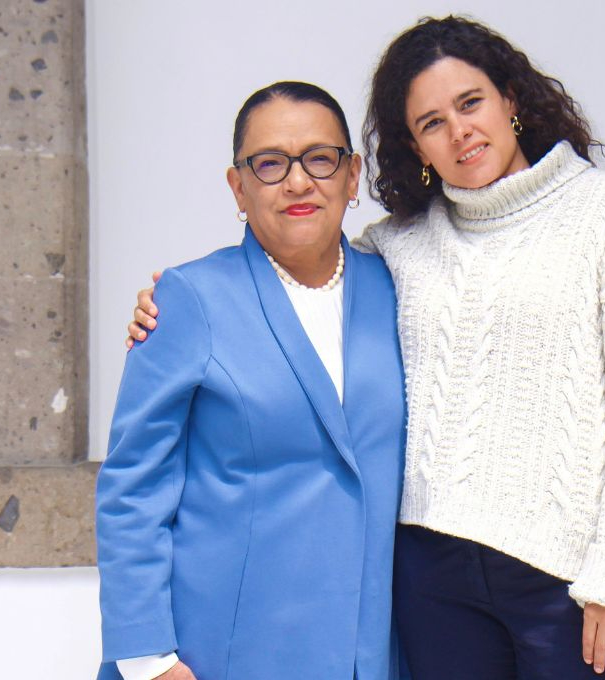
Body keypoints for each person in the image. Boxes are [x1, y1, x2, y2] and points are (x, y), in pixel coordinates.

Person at [127, 16, 605, 680]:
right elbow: (300, 287)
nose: (458, 130)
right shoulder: (398, 247)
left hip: (566, 583)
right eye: (431, 122)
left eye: (470, 103)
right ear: (415, 146)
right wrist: (165, 306)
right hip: (430, 581)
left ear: (510, 101)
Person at [96, 82, 407, 680]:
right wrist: (149, 659)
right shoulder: (188, 299)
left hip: (368, 649)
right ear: (238, 186)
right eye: (270, 164)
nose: (297, 181)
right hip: (221, 648)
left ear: (351, 176)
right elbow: (132, 488)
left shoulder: (398, 290)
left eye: (320, 158)